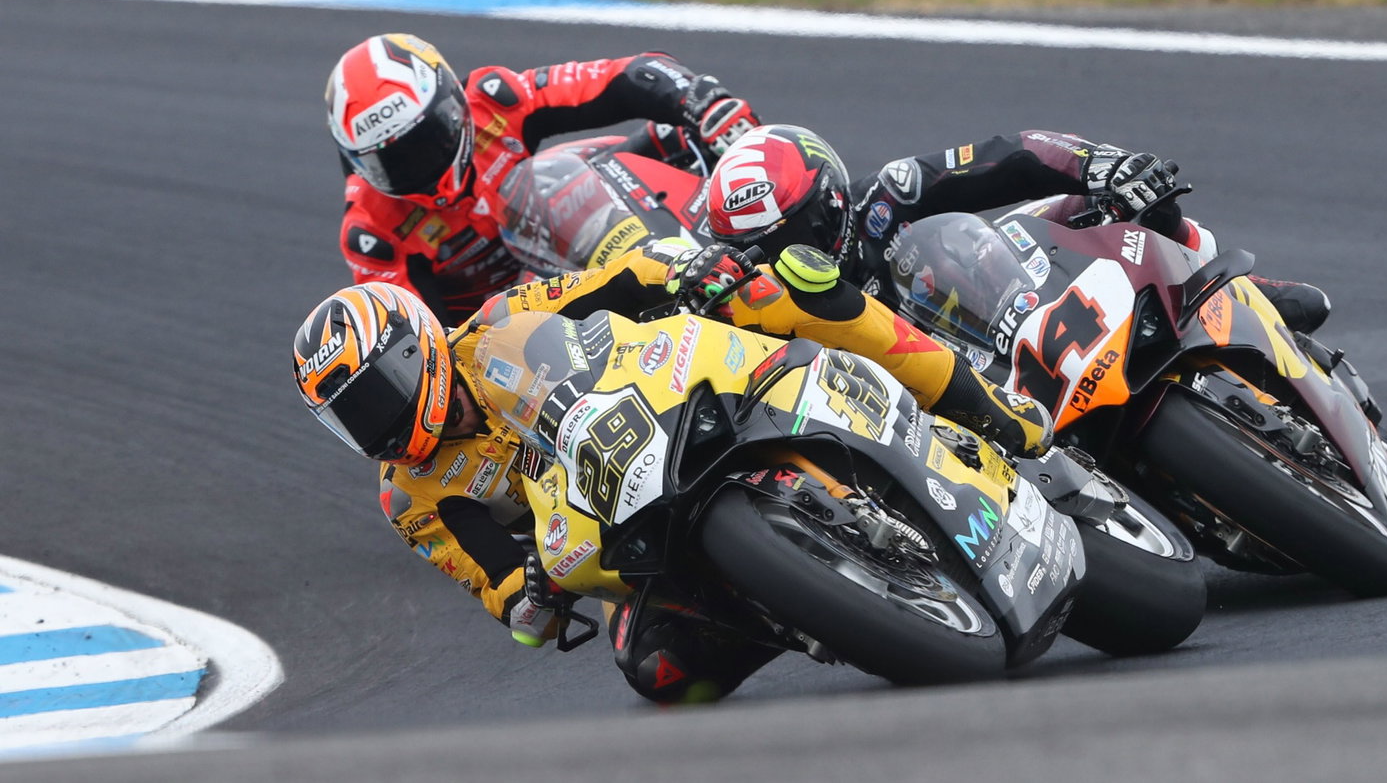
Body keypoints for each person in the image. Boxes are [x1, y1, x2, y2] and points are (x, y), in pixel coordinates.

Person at [291, 240, 1051, 704]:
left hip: (668, 401)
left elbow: (617, 279)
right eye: (353, 418)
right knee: (657, 670)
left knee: (783, 290)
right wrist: (532, 597)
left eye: (379, 394)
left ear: (416, 347)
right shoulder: (410, 497)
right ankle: (809, 606)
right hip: (612, 529)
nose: (379, 425)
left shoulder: (499, 323)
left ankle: (984, 405)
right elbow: (501, 590)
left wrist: (687, 268)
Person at [703, 124, 1331, 334]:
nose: (788, 254)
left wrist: (1101, 167)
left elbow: (1012, 156)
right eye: (766, 249)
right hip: (944, 400)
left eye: (798, 231)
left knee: (1108, 202)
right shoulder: (754, 303)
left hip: (1014, 305)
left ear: (831, 197)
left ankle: (1229, 291)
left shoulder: (887, 192)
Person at [326, 33, 761, 325]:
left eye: (426, 140)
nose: (418, 167)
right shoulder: (370, 231)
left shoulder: (494, 100)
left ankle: (746, 243)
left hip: (573, 250)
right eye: (391, 161)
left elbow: (627, 74)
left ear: (452, 104)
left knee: (674, 135)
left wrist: (703, 101)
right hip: (507, 329)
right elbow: (421, 340)